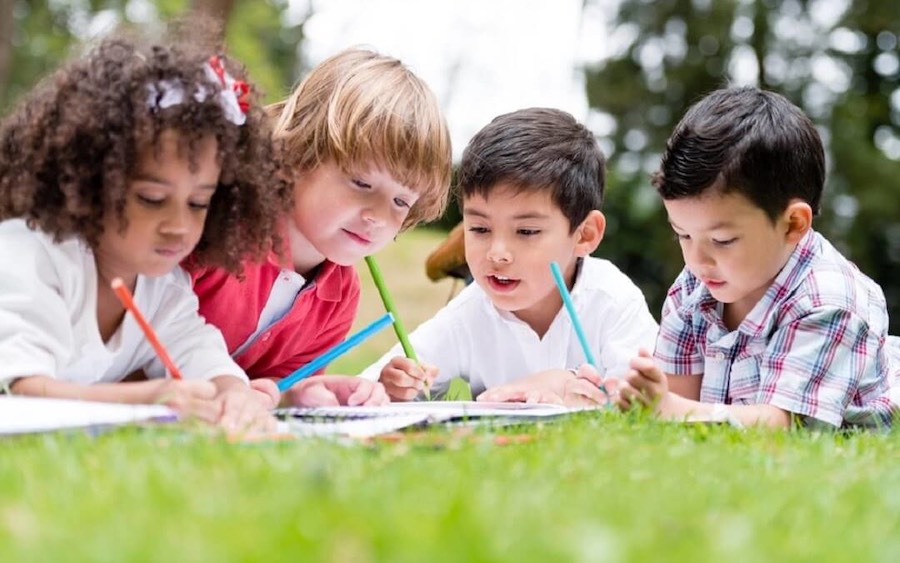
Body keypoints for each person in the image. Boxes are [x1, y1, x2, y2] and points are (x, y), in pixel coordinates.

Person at [0, 27, 284, 433]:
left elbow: (206, 360)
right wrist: (149, 398)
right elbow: (22, 393)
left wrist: (234, 396)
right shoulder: (30, 258)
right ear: (87, 182)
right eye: (152, 198)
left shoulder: (164, 288)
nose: (179, 227)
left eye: (198, 203)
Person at [609, 86, 899, 429]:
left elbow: (787, 425)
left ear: (793, 224)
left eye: (723, 240)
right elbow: (675, 404)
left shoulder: (829, 301)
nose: (697, 259)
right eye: (682, 234)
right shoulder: (694, 287)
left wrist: (672, 409)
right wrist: (647, 397)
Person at [188, 48, 453, 406]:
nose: (377, 216)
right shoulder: (216, 233)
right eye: (361, 183)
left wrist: (305, 392)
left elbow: (275, 387)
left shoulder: (341, 295)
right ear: (294, 157)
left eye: (401, 202)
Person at [360, 107, 659, 403]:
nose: (497, 254)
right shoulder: (469, 312)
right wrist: (394, 387)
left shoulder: (612, 300)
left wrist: (561, 384)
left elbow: (651, 401)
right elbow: (374, 386)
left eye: (526, 232)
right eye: (479, 228)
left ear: (585, 234)